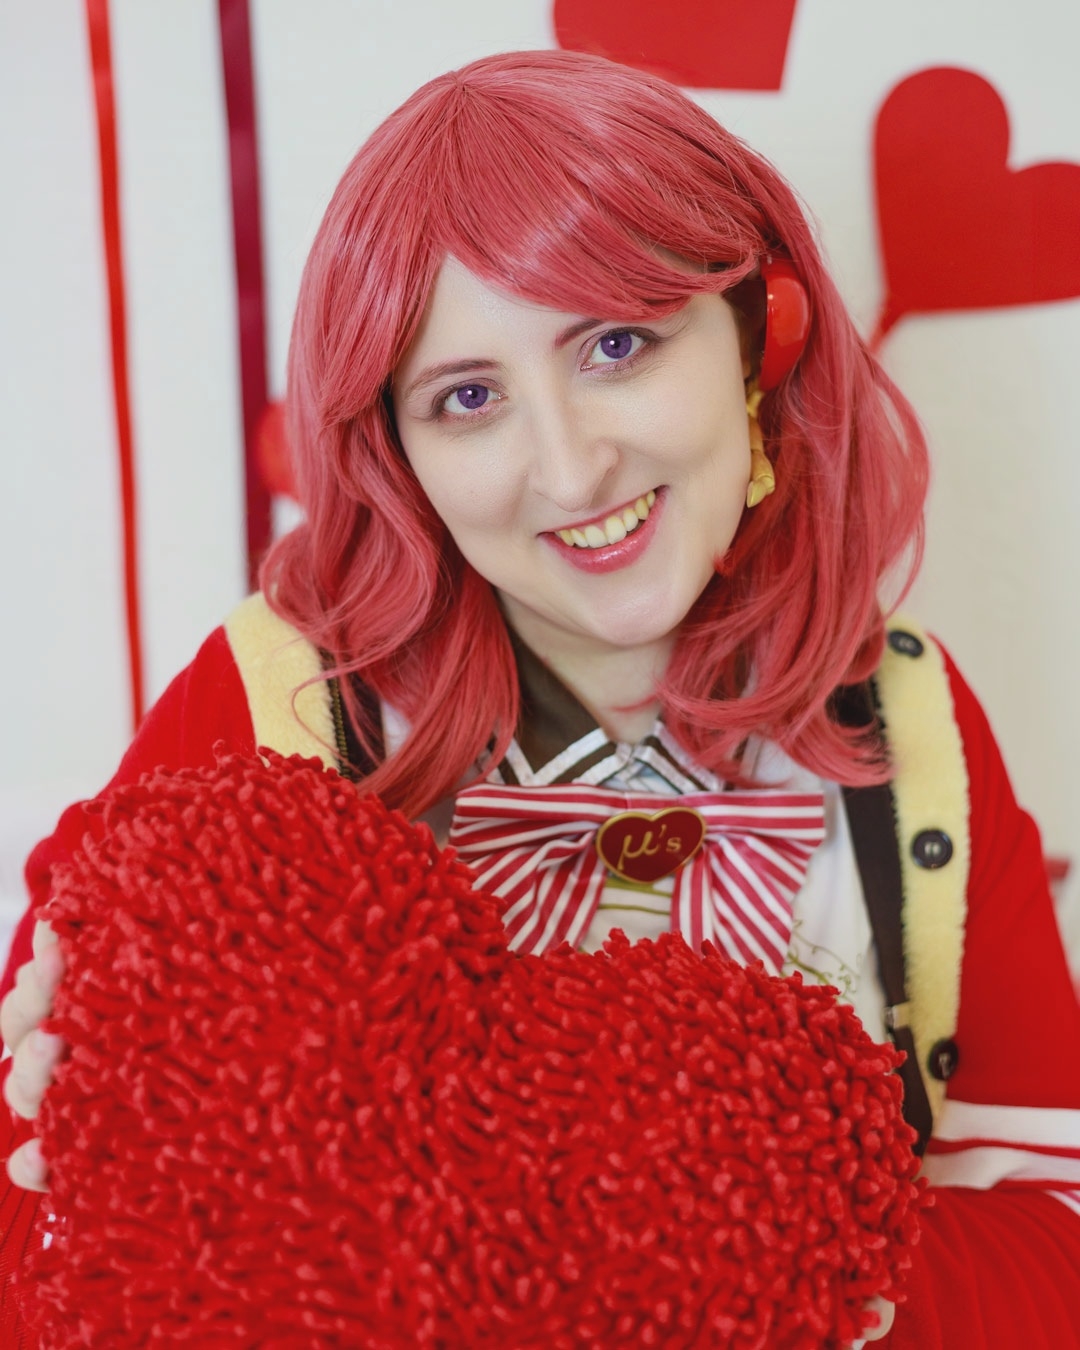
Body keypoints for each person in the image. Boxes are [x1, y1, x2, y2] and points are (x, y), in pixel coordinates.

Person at [2, 48, 1078, 1348]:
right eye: (468, 398)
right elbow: (38, 1248)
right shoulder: (267, 710)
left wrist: (764, 1256)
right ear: (397, 454)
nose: (570, 469)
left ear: (759, 330)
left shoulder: (907, 721)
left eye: (617, 344)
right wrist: (91, 1166)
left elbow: (1053, 1236)